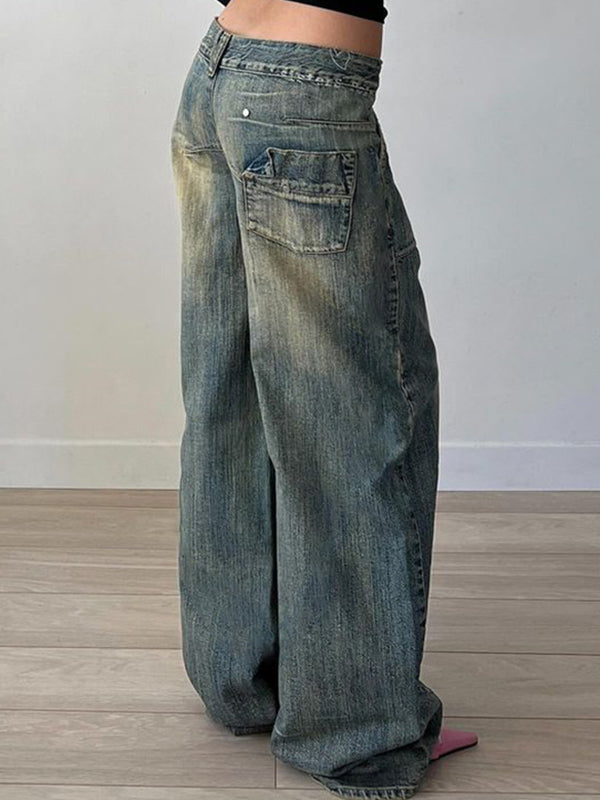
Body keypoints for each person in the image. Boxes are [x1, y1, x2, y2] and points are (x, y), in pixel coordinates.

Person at [170, 1, 478, 796]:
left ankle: (246, 679)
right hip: (305, 96)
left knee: (234, 402)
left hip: (220, 74)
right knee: (351, 419)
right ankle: (356, 734)